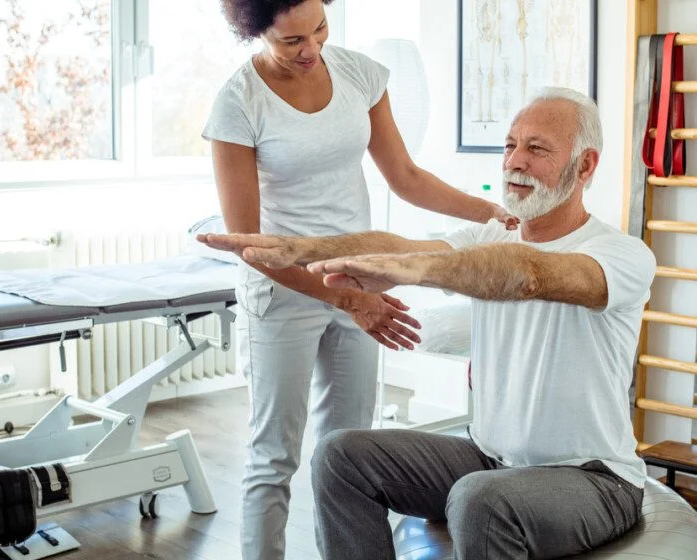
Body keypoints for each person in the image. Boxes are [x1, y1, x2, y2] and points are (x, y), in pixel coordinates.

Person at [198, 87, 657, 559]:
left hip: (592, 478)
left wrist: (419, 270)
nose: (514, 162)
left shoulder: (619, 255)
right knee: (340, 457)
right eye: (509, 145)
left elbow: (528, 275)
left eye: (536, 149)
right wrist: (304, 248)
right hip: (490, 458)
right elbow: (403, 245)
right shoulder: (488, 233)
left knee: (478, 499)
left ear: (584, 166)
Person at [204, 1, 516, 558]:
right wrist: (344, 298)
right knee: (274, 455)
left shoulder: (359, 74)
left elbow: (407, 177)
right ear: (254, 33)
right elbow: (251, 244)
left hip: (360, 282)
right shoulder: (238, 103)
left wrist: (493, 215)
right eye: (291, 40)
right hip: (284, 292)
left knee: (346, 452)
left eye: (320, 29)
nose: (311, 50)